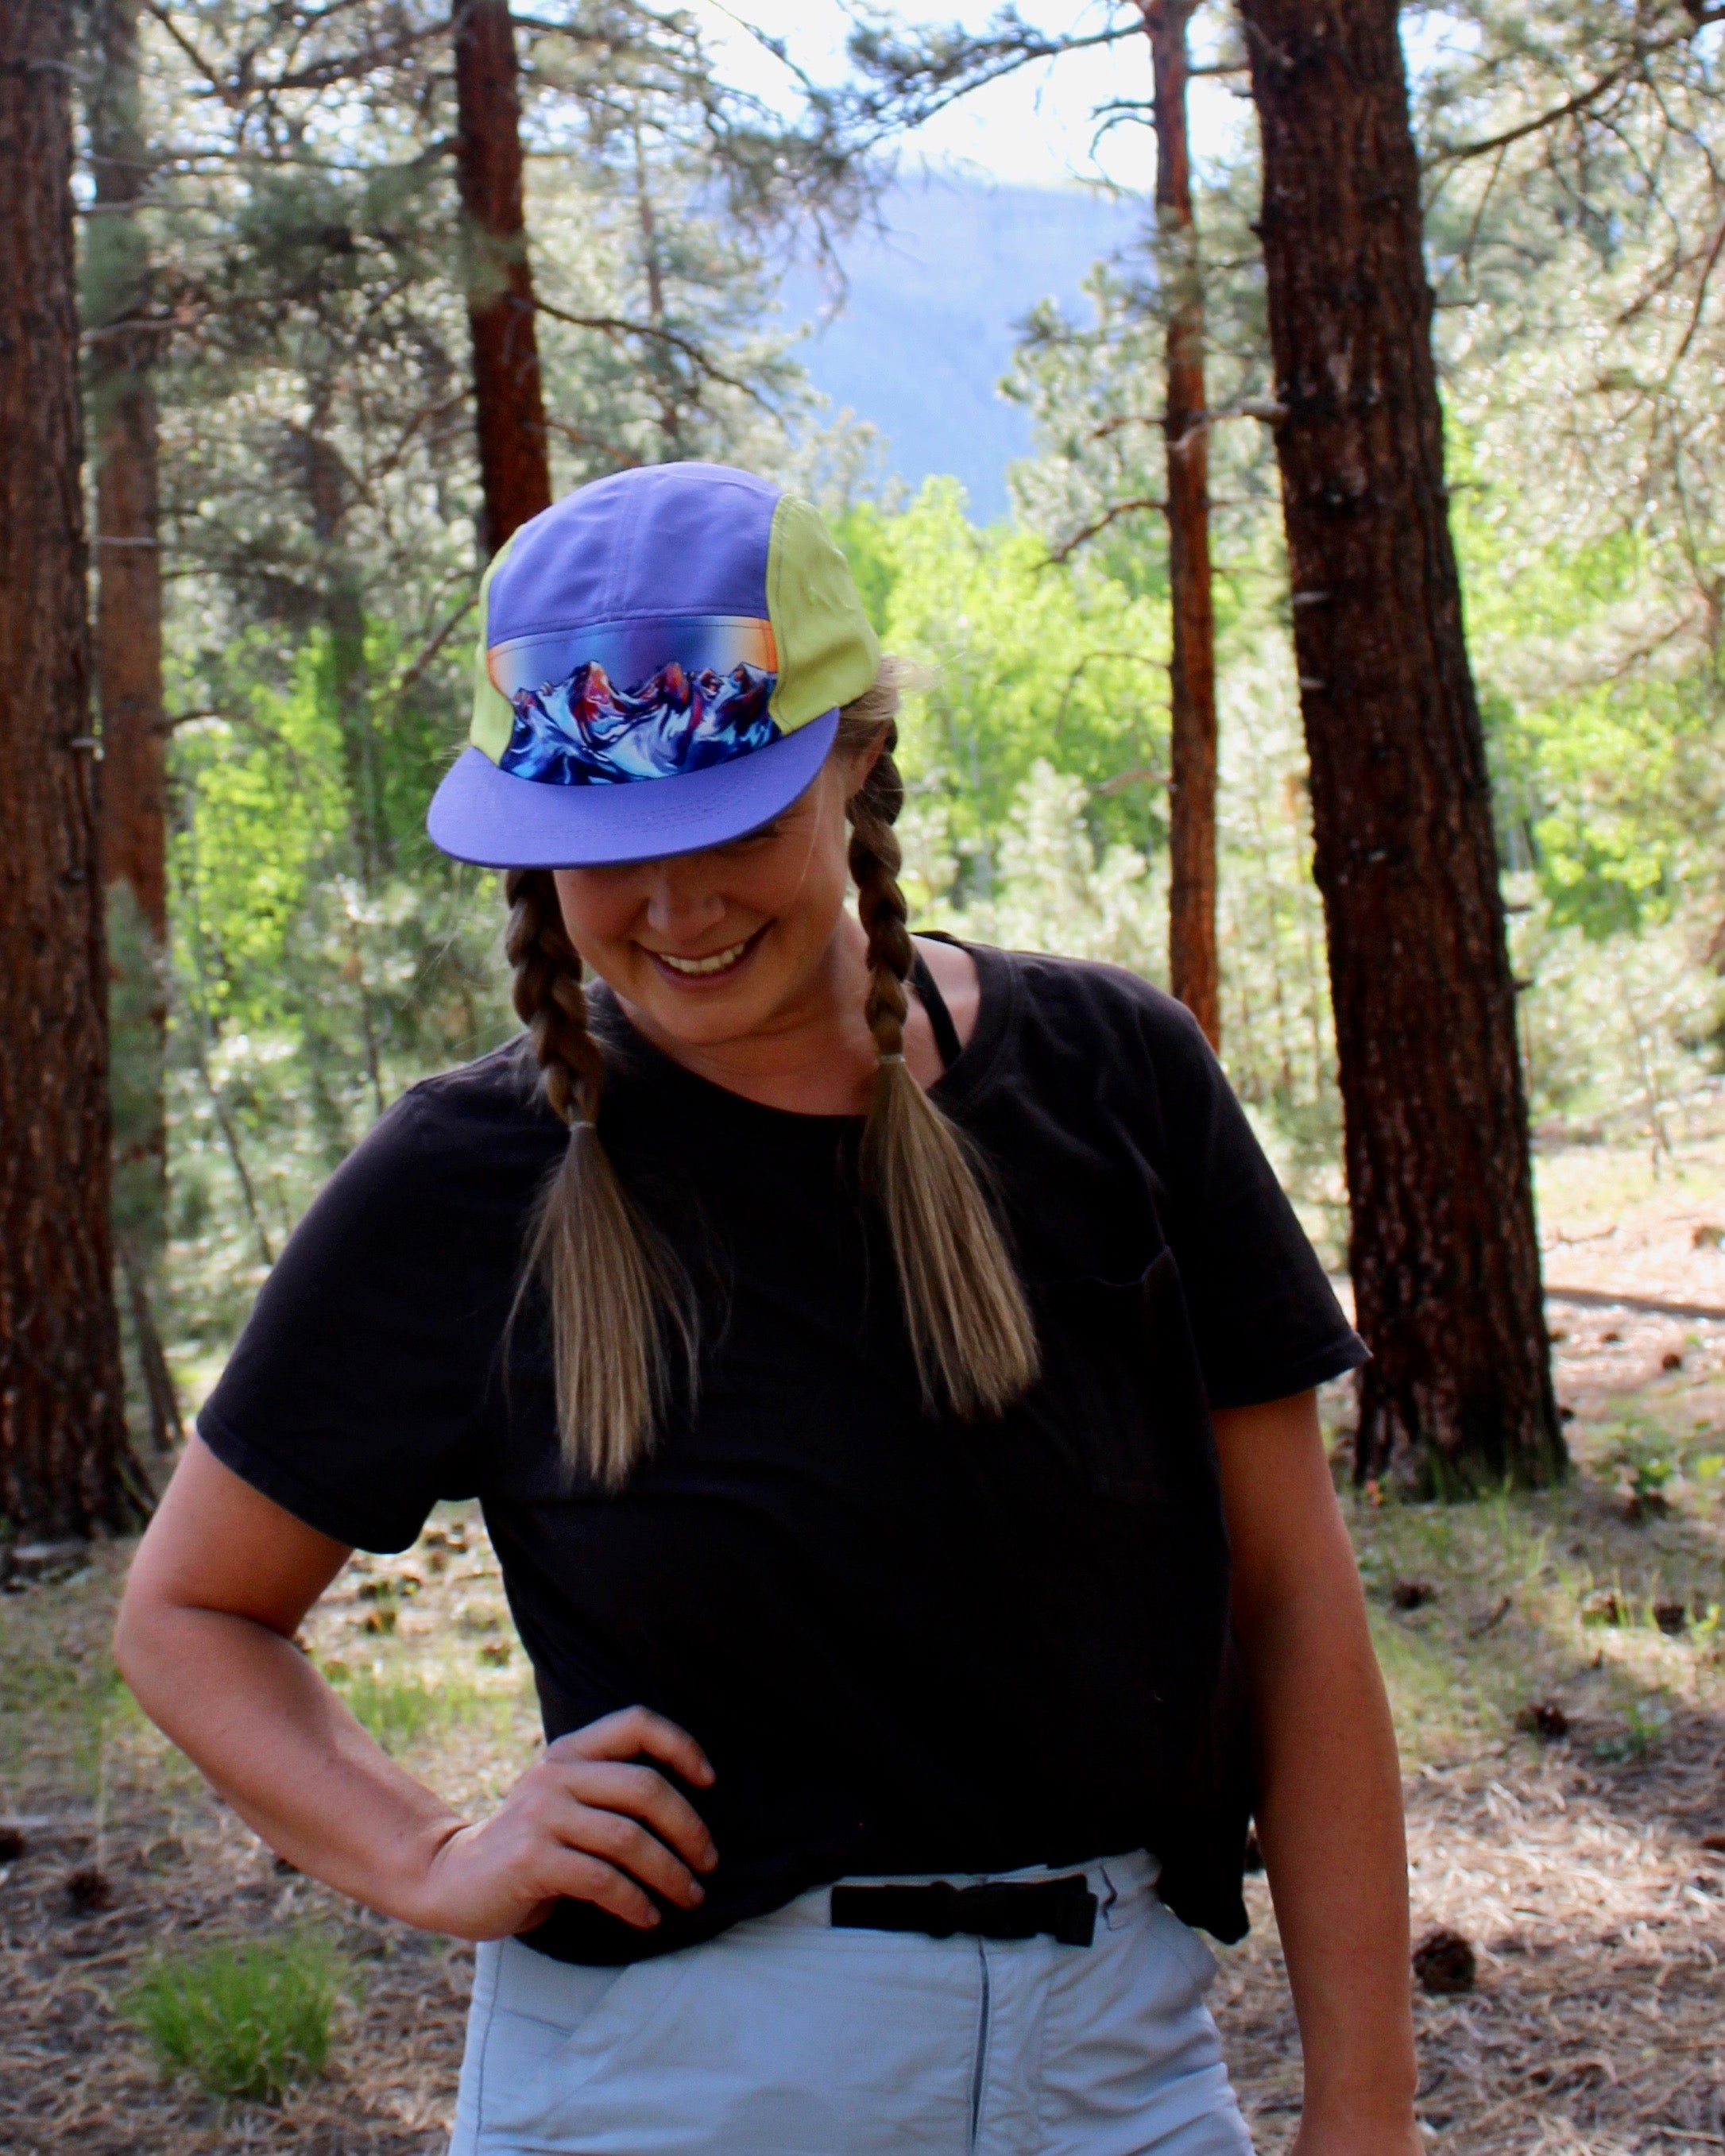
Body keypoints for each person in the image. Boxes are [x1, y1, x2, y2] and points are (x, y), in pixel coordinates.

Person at [116, 462, 1421, 2156]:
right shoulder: (474, 1176)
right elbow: (190, 1613)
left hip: (1121, 2080)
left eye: (728, 818)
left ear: (858, 757)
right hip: (675, 2092)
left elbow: (1300, 1610)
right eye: (605, 843)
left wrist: (1368, 2113)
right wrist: (433, 1855)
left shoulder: (1117, 1081)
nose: (675, 906)